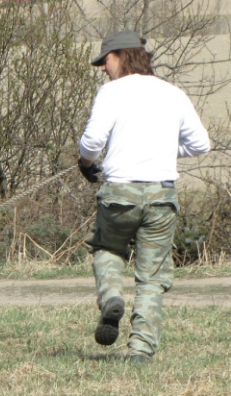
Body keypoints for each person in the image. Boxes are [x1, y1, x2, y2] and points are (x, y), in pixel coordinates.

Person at [78, 30, 210, 363]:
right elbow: (200, 145)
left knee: (106, 248)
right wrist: (162, 150)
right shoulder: (173, 93)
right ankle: (141, 349)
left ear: (120, 56)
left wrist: (85, 163)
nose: (102, 68)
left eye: (104, 60)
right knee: (152, 277)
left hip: (120, 192)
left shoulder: (111, 92)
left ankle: (111, 298)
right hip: (162, 195)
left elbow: (92, 143)